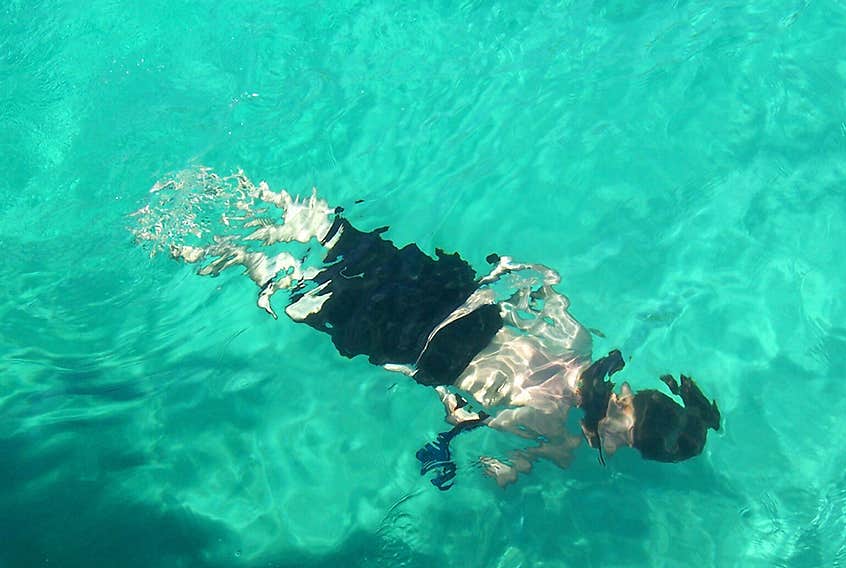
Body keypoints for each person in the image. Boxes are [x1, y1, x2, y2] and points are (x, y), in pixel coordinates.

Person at [132, 167, 721, 489]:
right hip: (419, 344)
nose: (613, 447)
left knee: (343, 241)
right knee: (303, 295)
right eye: (623, 445)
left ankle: (273, 210)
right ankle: (237, 255)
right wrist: (507, 463)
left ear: (636, 393)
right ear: (624, 432)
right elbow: (488, 442)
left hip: (455, 299)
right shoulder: (559, 433)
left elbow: (537, 290)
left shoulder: (582, 345)